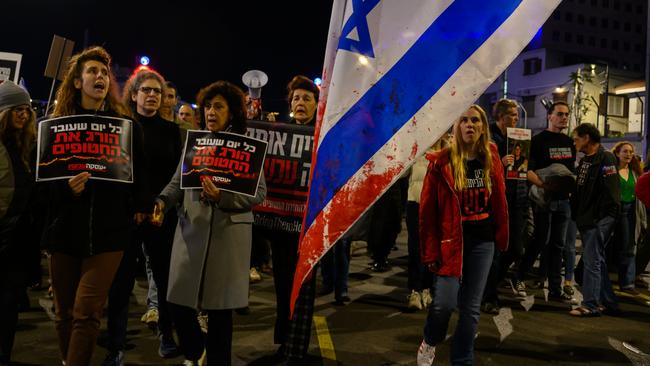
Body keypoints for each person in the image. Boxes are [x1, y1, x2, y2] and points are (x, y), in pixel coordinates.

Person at [44, 46, 148, 366]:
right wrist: (66, 190)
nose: (100, 76)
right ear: (77, 82)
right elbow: (40, 191)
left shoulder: (126, 129)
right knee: (64, 314)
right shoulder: (53, 126)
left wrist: (133, 208)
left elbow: (138, 180)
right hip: (64, 233)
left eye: (104, 73)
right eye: (92, 71)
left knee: (87, 313)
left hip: (108, 234)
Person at [153, 80, 266, 366]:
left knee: (220, 314)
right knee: (178, 301)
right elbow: (177, 182)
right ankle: (195, 351)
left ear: (232, 113)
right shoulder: (195, 141)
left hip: (228, 237)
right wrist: (163, 202)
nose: (211, 111)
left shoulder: (246, 146)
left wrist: (223, 197)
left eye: (218, 106)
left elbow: (259, 193)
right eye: (207, 106)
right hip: (191, 232)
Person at [417, 105, 508, 366]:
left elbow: (499, 199)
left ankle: (463, 360)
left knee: (470, 309)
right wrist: (431, 251)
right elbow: (427, 214)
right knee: (444, 304)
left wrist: (502, 235)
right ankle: (430, 339)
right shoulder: (441, 162)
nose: (470, 125)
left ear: (482, 126)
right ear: (455, 126)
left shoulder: (491, 154)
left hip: (483, 240)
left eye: (475, 120)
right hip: (451, 241)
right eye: (464, 120)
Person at [109, 69, 181, 361]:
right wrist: (134, 206)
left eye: (157, 92)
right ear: (134, 94)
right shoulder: (122, 126)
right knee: (121, 282)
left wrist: (162, 205)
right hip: (127, 216)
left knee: (164, 280)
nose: (152, 95)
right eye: (146, 90)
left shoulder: (172, 130)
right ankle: (115, 344)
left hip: (161, 216)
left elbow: (177, 175)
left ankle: (166, 334)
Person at [268, 75, 319, 363]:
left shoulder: (322, 136)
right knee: (282, 288)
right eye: (296, 99)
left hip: (308, 229)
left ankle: (295, 350)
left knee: (303, 290)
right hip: (280, 227)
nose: (300, 103)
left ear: (315, 105)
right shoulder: (279, 133)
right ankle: (283, 343)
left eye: (306, 99)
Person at [516, 101, 577, 303]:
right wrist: (543, 185)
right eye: (560, 114)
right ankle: (519, 277)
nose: (564, 118)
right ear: (549, 116)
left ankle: (555, 289)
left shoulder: (569, 142)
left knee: (558, 245)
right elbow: (527, 169)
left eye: (566, 114)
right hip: (544, 199)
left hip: (563, 201)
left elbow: (570, 171)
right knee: (539, 240)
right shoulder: (539, 140)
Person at [0, 81, 38, 366]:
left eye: (27, 110)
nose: (24, 115)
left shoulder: (27, 146)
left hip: (18, 239)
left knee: (9, 304)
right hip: (2, 233)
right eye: (17, 109)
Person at [569, 123, 620, 317]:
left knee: (592, 261)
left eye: (576, 138)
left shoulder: (605, 158)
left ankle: (590, 304)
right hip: (587, 218)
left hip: (598, 219)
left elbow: (611, 193)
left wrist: (602, 219)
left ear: (586, 138)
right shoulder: (585, 161)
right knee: (598, 260)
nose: (574, 142)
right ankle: (607, 302)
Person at [482, 99, 528, 316]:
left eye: (517, 115)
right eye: (511, 114)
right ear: (499, 116)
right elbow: (479, 166)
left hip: (515, 199)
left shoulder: (516, 138)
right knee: (494, 252)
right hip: (494, 199)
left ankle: (486, 286)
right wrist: (499, 161)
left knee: (515, 249)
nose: (515, 118)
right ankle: (488, 296)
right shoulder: (488, 137)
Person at [611, 141, 646, 294]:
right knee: (615, 246)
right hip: (615, 211)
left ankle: (627, 283)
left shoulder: (635, 173)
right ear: (617, 153)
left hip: (632, 211)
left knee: (630, 246)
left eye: (631, 152)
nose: (629, 155)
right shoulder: (611, 171)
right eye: (625, 151)